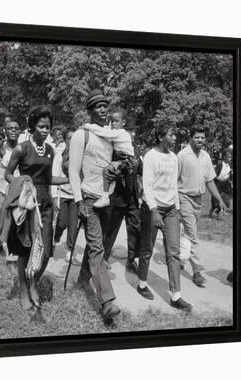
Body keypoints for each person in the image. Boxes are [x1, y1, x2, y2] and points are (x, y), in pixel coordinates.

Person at [3, 106, 69, 312]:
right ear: (32, 126)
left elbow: (48, 179)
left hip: (46, 205)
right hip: (27, 206)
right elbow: (7, 174)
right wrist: (23, 184)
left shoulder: (49, 150)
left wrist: (70, 180)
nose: (45, 130)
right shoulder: (21, 149)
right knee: (25, 251)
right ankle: (23, 290)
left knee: (47, 251)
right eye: (41, 126)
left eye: (48, 127)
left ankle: (33, 283)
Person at [68, 89, 120, 321]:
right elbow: (73, 170)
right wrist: (79, 200)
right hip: (88, 198)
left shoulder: (110, 136)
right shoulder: (82, 135)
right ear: (89, 112)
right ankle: (107, 302)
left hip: (106, 198)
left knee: (96, 245)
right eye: (97, 106)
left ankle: (82, 279)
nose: (103, 109)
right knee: (98, 248)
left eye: (105, 105)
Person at [139, 124, 191, 311]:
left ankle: (176, 296)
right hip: (153, 209)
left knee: (173, 253)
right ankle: (142, 284)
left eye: (176, 134)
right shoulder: (150, 156)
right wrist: (153, 210)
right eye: (171, 134)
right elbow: (147, 185)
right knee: (147, 249)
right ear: (161, 137)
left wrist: (177, 210)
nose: (175, 138)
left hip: (170, 210)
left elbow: (173, 186)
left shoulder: (174, 157)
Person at [178, 125, 227, 287]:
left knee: (187, 233)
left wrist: (219, 199)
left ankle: (179, 257)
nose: (200, 140)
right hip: (184, 197)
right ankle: (197, 271)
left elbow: (210, 180)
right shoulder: (182, 155)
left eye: (203, 137)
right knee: (192, 234)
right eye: (197, 137)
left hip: (199, 200)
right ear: (190, 138)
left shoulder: (206, 156)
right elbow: (173, 180)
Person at [99, 112, 142, 274]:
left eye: (133, 131)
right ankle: (103, 257)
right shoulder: (114, 148)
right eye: (129, 130)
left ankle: (131, 260)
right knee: (111, 228)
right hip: (116, 195)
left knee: (135, 228)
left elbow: (140, 170)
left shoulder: (135, 149)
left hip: (132, 196)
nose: (131, 134)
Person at [82, 107, 135, 208]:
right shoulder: (118, 132)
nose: (113, 124)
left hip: (125, 160)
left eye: (116, 121)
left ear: (123, 122)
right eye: (112, 121)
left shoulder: (120, 133)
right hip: (123, 160)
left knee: (107, 171)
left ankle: (105, 197)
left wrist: (89, 126)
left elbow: (106, 133)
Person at [0, 120, 20, 260]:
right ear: (5, 131)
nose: (13, 130)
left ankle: (12, 250)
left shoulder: (22, 149)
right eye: (10, 128)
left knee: (13, 222)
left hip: (17, 193)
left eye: (16, 128)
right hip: (1, 191)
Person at [53, 129, 81, 263]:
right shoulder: (59, 155)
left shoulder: (81, 155)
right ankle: (55, 238)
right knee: (62, 222)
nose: (72, 141)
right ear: (65, 140)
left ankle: (70, 252)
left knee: (73, 226)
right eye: (69, 138)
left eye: (74, 138)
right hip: (62, 194)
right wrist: (54, 197)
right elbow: (54, 175)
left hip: (76, 196)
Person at [210, 148, 233, 218]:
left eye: (231, 156)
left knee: (226, 200)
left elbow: (230, 174)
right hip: (218, 184)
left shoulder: (230, 164)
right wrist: (219, 179)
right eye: (229, 156)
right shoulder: (220, 164)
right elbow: (214, 175)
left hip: (226, 184)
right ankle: (211, 213)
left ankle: (220, 212)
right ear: (225, 157)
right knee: (215, 201)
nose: (230, 158)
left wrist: (230, 175)